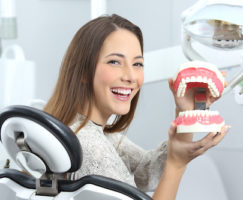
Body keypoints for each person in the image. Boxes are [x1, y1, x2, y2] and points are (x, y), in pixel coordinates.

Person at [44, 14, 230, 200]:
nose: (131, 76)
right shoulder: (88, 145)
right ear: (83, 71)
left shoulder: (90, 130)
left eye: (137, 64)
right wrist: (176, 165)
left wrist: (185, 114)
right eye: (115, 62)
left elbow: (146, 171)